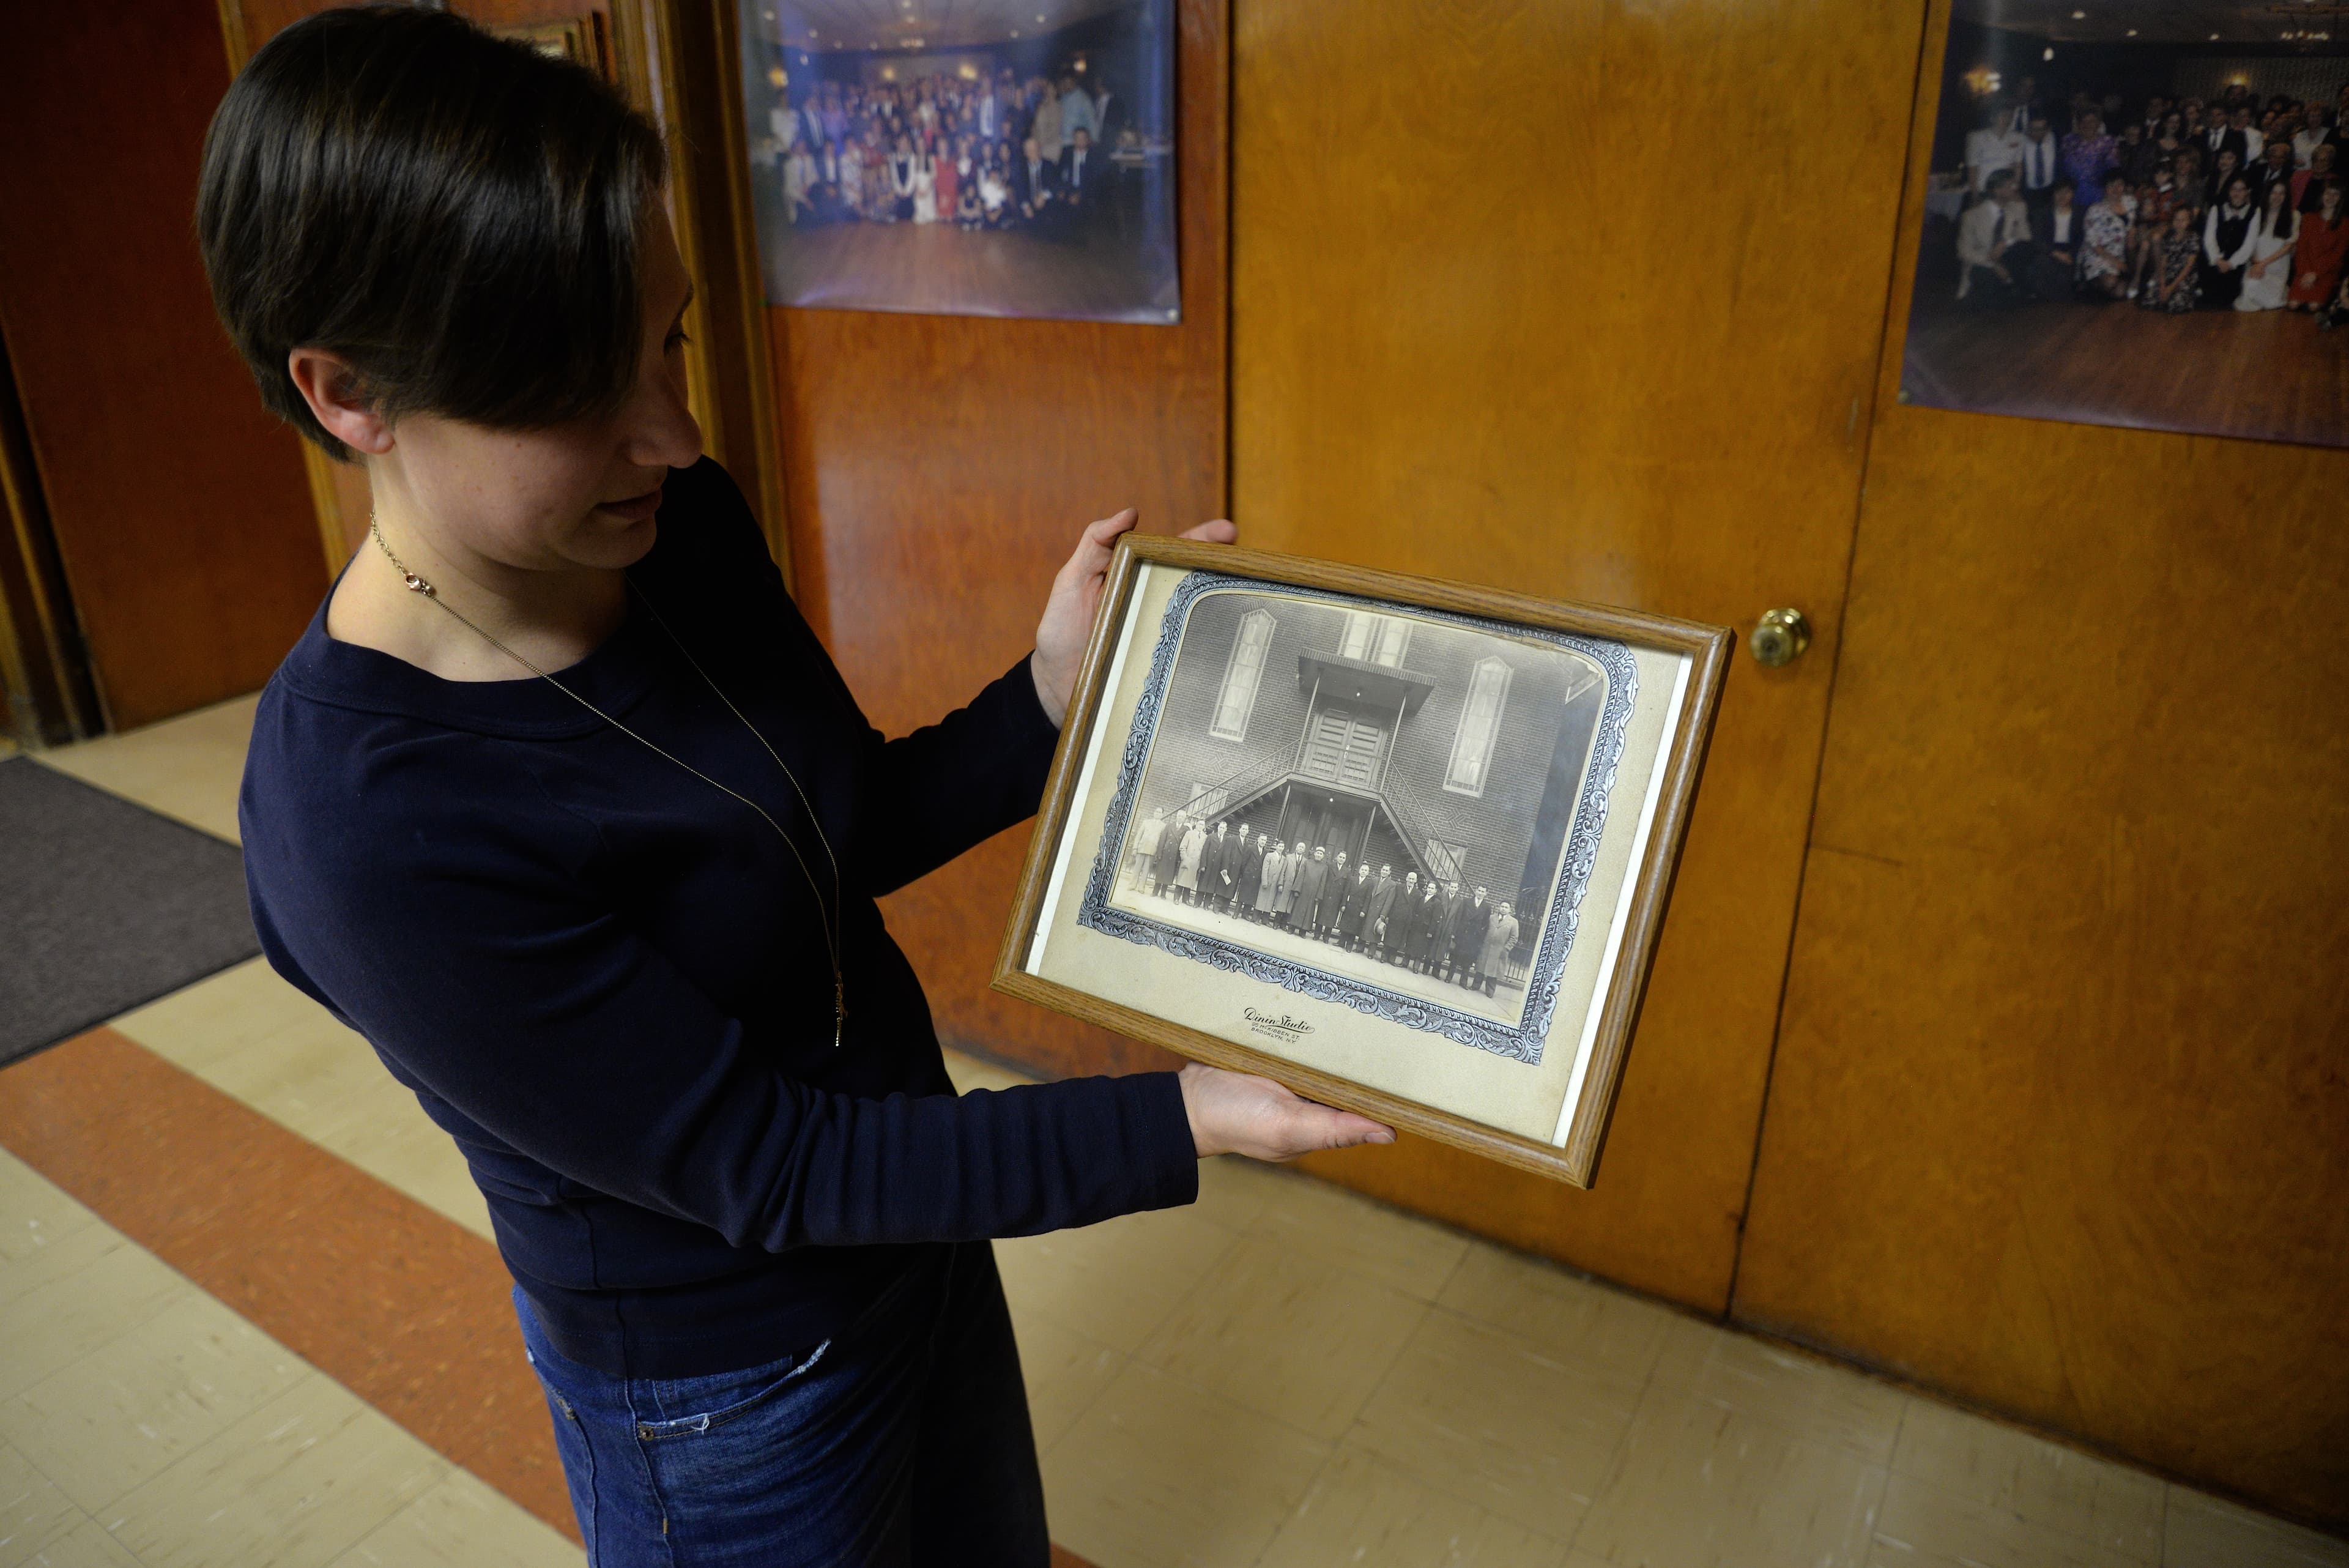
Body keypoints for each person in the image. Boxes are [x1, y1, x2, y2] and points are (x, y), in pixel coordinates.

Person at [196, 15, 1391, 1567]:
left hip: (917, 1228)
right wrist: (1180, 1119)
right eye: (581, 391)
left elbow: (836, 835)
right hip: (729, 1387)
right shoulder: (364, 821)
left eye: (671, 344)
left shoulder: (665, 525)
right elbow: (766, 1165)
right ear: (350, 393)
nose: (675, 435)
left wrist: (1048, 697)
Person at [1956, 169, 2027, 302]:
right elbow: (1964, 252)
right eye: (2010, 185)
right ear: (1997, 190)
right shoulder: (1972, 216)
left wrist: (2006, 242)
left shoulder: (2017, 209)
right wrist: (1993, 264)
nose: (2015, 188)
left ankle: (2011, 289)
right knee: (1986, 282)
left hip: (2007, 261)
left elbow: (2026, 239)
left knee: (2025, 254)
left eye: (2015, 185)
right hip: (1982, 264)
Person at [2237, 181, 2297, 312]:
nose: (2277, 197)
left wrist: (2263, 264)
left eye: (2282, 193)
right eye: (2274, 193)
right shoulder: (2257, 213)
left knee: (2271, 304)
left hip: (2277, 268)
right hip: (2256, 264)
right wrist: (2257, 264)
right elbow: (2250, 243)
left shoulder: (2294, 216)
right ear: (2268, 194)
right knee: (2251, 289)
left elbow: (2288, 247)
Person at [2290, 182, 2349, 310]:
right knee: (2293, 304)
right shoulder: (2308, 218)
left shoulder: (2345, 224)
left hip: (2326, 273)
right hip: (2304, 270)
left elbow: (2337, 255)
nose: (2331, 197)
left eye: (2336, 194)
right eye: (2328, 193)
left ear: (2341, 198)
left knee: (2313, 306)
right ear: (2322, 195)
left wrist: (2316, 274)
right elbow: (2301, 249)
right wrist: (2305, 272)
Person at [2203, 177, 2260, 308]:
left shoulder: (2254, 212)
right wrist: (2217, 259)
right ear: (2229, 191)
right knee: (2208, 299)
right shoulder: (2217, 209)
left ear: (2247, 192)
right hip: (2215, 260)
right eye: (2234, 189)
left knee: (2227, 300)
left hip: (2235, 264)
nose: (2237, 193)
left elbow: (2249, 245)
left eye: (2241, 190)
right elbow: (2209, 238)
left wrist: (2231, 263)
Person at [2139, 201, 2203, 313]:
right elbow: (2163, 263)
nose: (2179, 223)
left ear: (2190, 221)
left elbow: (2189, 266)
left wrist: (2171, 287)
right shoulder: (2169, 237)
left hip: (2184, 276)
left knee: (2177, 304)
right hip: (2170, 273)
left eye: (2183, 220)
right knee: (2149, 300)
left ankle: (2186, 297)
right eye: (2177, 220)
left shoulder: (2193, 238)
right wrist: (2163, 285)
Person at [2027, 180, 2084, 299]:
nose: (2062, 196)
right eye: (2059, 192)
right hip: (2050, 249)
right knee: (2040, 265)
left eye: (2067, 193)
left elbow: (2082, 237)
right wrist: (2056, 254)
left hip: (2070, 250)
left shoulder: (2080, 212)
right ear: (2053, 194)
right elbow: (2037, 239)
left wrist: (2072, 254)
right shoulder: (2042, 212)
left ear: (2073, 194)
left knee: (2069, 276)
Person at [2079, 180, 2130, 300]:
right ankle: (2088, 285)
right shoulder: (2095, 210)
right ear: (2105, 189)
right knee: (2110, 283)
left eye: (2119, 185)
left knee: (2120, 293)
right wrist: (2116, 262)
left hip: (2119, 255)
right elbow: (2092, 243)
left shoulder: (2130, 204)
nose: (2116, 189)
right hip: (2098, 255)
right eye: (2111, 186)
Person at [2060, 110, 2119, 209]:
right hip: (2072, 195)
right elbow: (2062, 168)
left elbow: (2113, 172)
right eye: (2083, 121)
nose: (2088, 125)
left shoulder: (2108, 142)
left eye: (2092, 121)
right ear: (2078, 124)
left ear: (2099, 123)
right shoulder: (2068, 141)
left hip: (2099, 195)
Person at [1965, 100, 2025, 195]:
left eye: (2010, 116)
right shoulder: (1977, 138)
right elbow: (1973, 170)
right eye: (2004, 116)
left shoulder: (2018, 138)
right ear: (1993, 118)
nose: (2008, 120)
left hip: (2007, 190)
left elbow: (2018, 166)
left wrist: (2015, 188)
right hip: (1984, 189)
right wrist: (1975, 195)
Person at [1058, 127, 1110, 225]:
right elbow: (1059, 173)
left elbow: (1096, 181)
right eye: (1077, 138)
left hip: (1087, 192)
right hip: (1069, 189)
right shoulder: (1067, 152)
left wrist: (1080, 194)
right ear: (1074, 140)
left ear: (1088, 140)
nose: (1080, 141)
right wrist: (1063, 190)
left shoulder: (1095, 154)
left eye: (1083, 138)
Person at [1450, 886, 1493, 990]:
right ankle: (1449, 977)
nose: (1480, 893)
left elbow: (1485, 924)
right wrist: (1455, 933)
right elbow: (1459, 917)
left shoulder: (1487, 907)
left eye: (1483, 892)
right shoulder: (1466, 901)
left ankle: (1463, 981)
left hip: (1474, 937)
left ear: (1486, 893)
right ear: (1476, 891)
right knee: (1455, 957)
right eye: (1479, 891)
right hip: (1462, 934)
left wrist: (1479, 935)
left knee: (1468, 961)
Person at [2017, 114, 2061, 209]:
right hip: (2027, 192)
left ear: (2048, 129)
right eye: (2033, 129)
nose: (2037, 133)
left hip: (2050, 191)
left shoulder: (2055, 139)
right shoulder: (2020, 142)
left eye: (2041, 129)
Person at [1477, 901, 1520, 998]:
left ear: (1510, 910)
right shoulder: (1492, 917)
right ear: (1499, 907)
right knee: (1481, 968)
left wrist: (1506, 949)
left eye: (1506, 907)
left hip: (1499, 950)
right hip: (1487, 947)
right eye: (1502, 906)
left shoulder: (1513, 922)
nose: (1503, 909)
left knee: (1494, 972)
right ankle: (1476, 985)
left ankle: (1490, 991)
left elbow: (1514, 938)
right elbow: (1484, 929)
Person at [1014, 135, 1056, 225]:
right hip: (1029, 204)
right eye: (1030, 151)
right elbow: (1019, 190)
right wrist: (1026, 207)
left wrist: (1043, 196)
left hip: (1046, 203)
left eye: (1035, 149)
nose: (1033, 153)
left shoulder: (1049, 165)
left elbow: (1054, 185)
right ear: (1025, 153)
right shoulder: (1021, 168)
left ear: (1040, 150)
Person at [1288, 845, 1329, 934]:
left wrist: (1319, 896)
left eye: (1321, 854)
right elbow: (1301, 876)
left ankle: (1303, 931)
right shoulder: (1307, 862)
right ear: (1315, 854)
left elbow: (1323, 883)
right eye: (1317, 853)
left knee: (1308, 914)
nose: (1319, 855)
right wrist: (1297, 890)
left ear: (1323, 856)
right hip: (1303, 892)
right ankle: (1292, 928)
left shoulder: (1325, 867)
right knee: (1297, 911)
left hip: (1313, 894)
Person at [1364, 866, 1400, 961]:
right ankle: (1360, 948)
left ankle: (1371, 952)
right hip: (1371, 907)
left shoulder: (1392, 884)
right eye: (1383, 870)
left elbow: (1389, 901)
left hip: (1380, 911)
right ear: (1380, 870)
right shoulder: (1375, 880)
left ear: (1389, 873)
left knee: (1376, 932)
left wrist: (1383, 914)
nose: (1384, 872)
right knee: (1366, 929)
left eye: (1386, 871)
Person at [1130, 806, 1167, 894]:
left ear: (1162, 815)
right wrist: (1135, 848)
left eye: (1159, 813)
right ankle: (1132, 885)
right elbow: (1139, 835)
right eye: (1156, 812)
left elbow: (1162, 840)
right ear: (1154, 813)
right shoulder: (1146, 822)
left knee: (1146, 870)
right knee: (1137, 868)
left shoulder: (1163, 826)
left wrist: (1158, 852)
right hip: (1141, 848)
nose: (1157, 814)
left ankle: (1141, 887)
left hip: (1152, 851)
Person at [1174, 812, 1206, 902]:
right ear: (1196, 825)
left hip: (1196, 863)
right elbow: (1183, 846)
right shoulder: (1189, 833)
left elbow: (1204, 851)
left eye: (1202, 825)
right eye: (1199, 824)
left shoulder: (1205, 837)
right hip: (1187, 860)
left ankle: (1186, 900)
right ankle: (1176, 898)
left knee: (1190, 882)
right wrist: (1185, 858)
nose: (1200, 826)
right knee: (1181, 880)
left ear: (1204, 827)